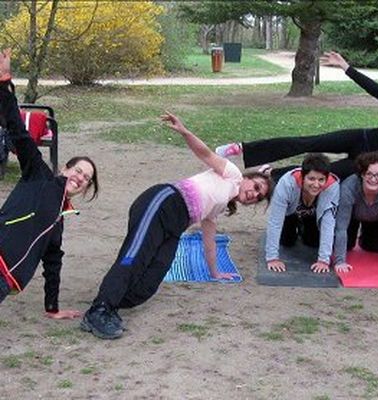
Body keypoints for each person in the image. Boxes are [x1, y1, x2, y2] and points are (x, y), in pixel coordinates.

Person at [81, 112, 273, 340]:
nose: (254, 194)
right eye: (256, 186)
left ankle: (110, 305)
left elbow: (209, 240)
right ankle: (99, 309)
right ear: (249, 178)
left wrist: (215, 272)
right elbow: (205, 153)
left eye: (259, 196)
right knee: (135, 257)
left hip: (175, 224)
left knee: (153, 276)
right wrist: (184, 131)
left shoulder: (220, 206)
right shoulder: (232, 174)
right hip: (163, 201)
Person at [215, 51, 378, 181]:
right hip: (362, 139)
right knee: (309, 142)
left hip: (372, 164)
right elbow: (376, 89)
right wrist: (347, 68)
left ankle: (269, 173)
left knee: (322, 173)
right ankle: (243, 148)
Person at [0, 49, 100, 319]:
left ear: (85, 189)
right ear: (64, 169)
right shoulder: (39, 175)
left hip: (5, 280)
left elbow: (53, 263)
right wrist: (4, 82)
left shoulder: (58, 221)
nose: (80, 178)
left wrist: (52, 309)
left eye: (86, 178)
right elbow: (18, 132)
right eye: (78, 171)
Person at [265, 153, 339, 273]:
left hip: (313, 215)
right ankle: (267, 171)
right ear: (303, 176)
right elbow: (275, 221)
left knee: (313, 242)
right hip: (291, 214)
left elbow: (328, 222)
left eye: (321, 180)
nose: (316, 184)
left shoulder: (332, 186)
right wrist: (272, 258)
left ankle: (303, 228)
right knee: (287, 241)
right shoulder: (286, 183)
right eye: (311, 179)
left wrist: (323, 260)